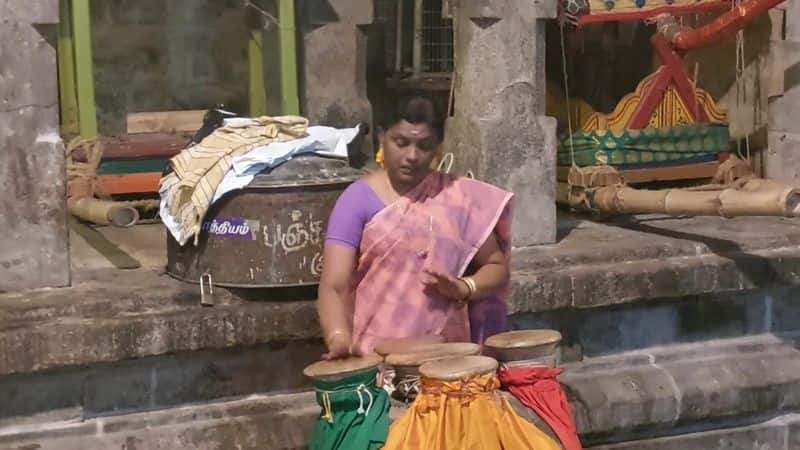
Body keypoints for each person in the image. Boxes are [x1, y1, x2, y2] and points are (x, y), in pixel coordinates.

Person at [317, 96, 514, 358]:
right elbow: (334, 285)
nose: (412, 156)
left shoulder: (457, 196)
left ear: (438, 148)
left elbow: (497, 268)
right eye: (401, 142)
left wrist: (464, 287)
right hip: (376, 360)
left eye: (424, 146)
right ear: (381, 137)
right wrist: (338, 337)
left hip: (448, 360)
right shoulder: (357, 200)